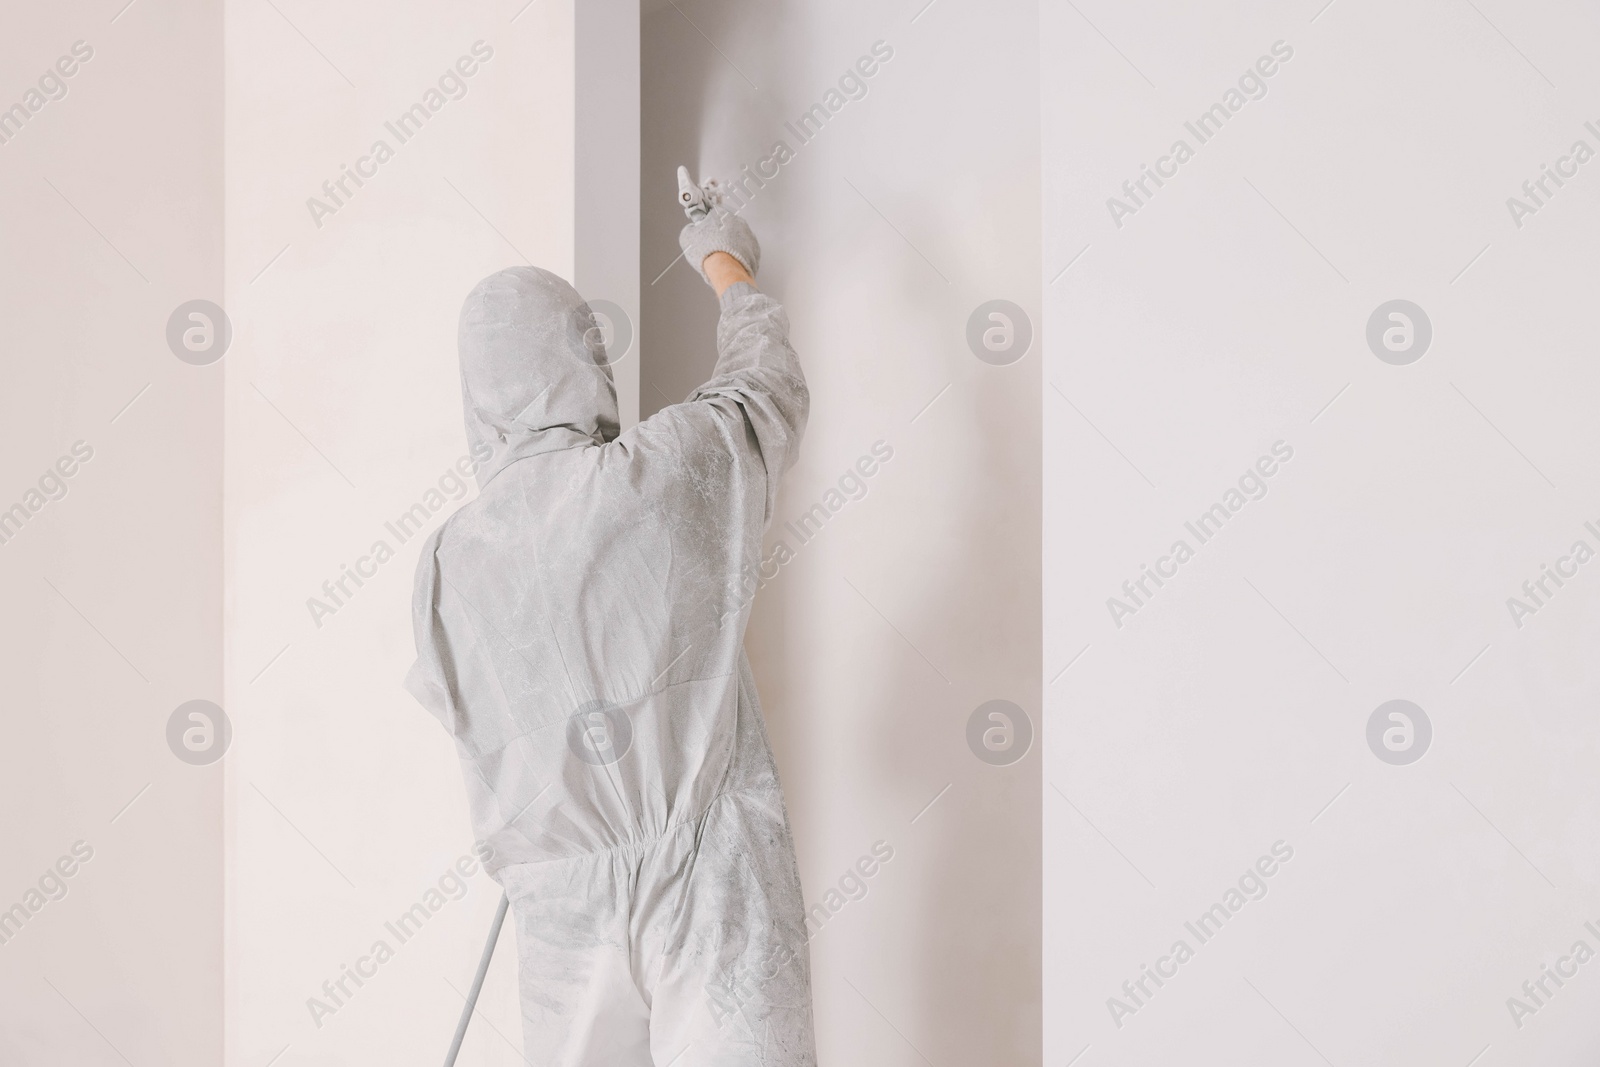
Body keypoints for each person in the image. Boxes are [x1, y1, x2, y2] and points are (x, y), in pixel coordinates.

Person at [404, 202, 817, 1067]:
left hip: (561, 922)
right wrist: (724, 262)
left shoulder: (445, 565)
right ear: (580, 356)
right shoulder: (652, 478)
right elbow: (763, 389)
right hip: (707, 884)